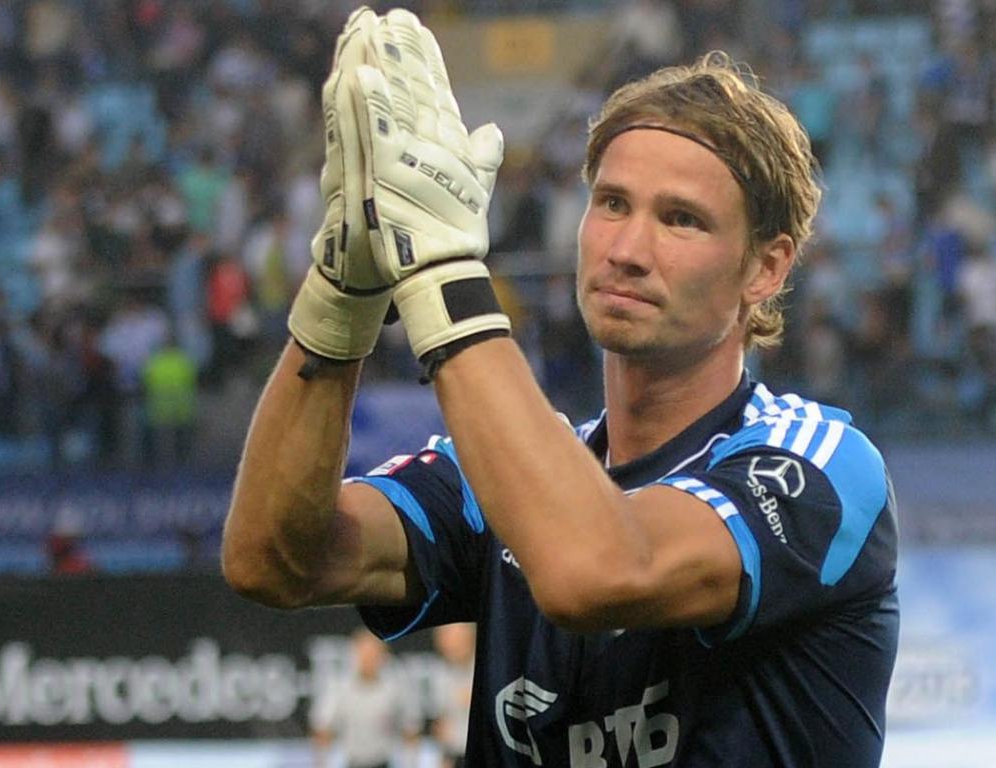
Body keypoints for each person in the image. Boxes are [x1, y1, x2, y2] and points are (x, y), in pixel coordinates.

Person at [223, 8, 898, 767]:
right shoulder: (499, 475)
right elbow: (272, 560)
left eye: (681, 219)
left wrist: (444, 275)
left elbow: (596, 571)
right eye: (612, 204)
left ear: (766, 268)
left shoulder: (821, 465)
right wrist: (341, 301)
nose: (628, 249)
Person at [309, 627, 421, 768]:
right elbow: (322, 728)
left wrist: (411, 763)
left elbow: (410, 729)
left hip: (383, 761)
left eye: (373, 653)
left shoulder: (395, 688)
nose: (368, 659)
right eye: (363, 653)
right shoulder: (340, 688)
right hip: (353, 762)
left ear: (383, 656)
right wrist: (321, 762)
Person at [429, 623, 474, 768]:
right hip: (454, 755)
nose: (450, 649)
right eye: (445, 644)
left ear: (470, 640)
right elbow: (440, 721)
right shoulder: (438, 674)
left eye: (457, 642)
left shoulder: (490, 670)